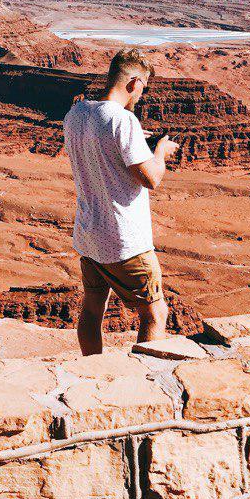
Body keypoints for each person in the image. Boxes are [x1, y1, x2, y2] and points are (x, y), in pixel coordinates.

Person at [64, 47, 180, 355]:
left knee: (92, 308)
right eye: (143, 88)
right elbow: (151, 178)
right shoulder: (123, 121)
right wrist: (160, 152)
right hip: (124, 241)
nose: (141, 96)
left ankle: (92, 369)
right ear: (134, 82)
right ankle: (145, 376)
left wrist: (139, 141)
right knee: (155, 313)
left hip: (89, 235)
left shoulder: (76, 114)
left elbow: (103, 151)